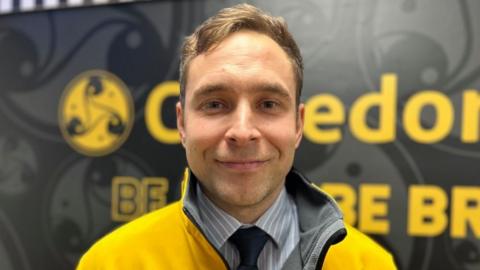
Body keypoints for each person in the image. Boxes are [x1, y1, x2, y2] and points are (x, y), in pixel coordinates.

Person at [77, 4, 397, 270]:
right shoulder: (110, 263)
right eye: (215, 104)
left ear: (298, 125)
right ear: (182, 123)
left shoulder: (369, 264)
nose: (242, 132)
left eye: (268, 104)